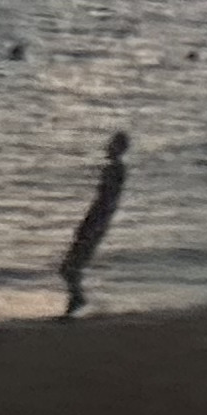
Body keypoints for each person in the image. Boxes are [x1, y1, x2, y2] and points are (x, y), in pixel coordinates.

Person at [58, 131, 129, 317]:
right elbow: (103, 200)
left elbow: (106, 200)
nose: (107, 147)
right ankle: (76, 298)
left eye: (112, 144)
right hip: (96, 220)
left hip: (97, 221)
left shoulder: (115, 170)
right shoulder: (114, 170)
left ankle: (77, 298)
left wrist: (93, 224)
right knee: (71, 265)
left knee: (70, 266)